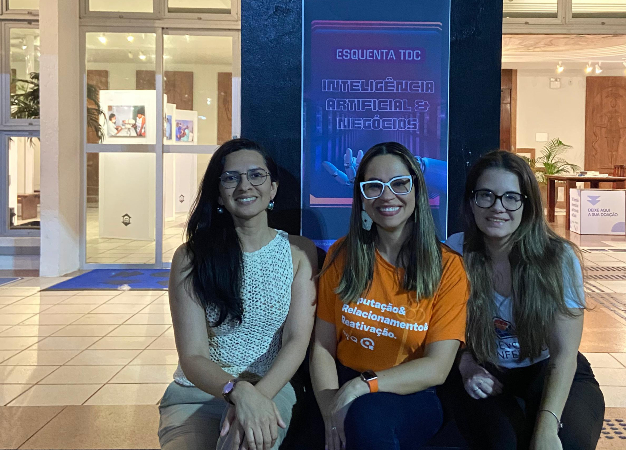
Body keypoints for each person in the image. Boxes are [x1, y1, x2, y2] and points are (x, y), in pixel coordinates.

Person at [158, 138, 318, 450]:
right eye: (231, 178)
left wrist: (255, 396)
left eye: (256, 175)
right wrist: (236, 391)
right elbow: (192, 355)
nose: (245, 186)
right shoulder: (191, 257)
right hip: (198, 393)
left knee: (246, 444)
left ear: (272, 188)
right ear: (218, 192)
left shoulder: (299, 253)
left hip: (270, 386)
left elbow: (297, 340)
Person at [310, 142, 469, 450]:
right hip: (341, 386)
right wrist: (330, 408)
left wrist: (361, 387)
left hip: (410, 394)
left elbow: (437, 368)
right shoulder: (340, 255)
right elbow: (322, 347)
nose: (386, 196)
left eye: (399, 183)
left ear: (416, 191)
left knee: (367, 416)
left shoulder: (447, 266)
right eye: (374, 186)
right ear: (362, 197)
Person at [443, 150, 605, 450]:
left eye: (511, 197)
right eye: (486, 195)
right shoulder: (454, 252)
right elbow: (442, 333)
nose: (497, 207)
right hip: (485, 370)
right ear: (471, 201)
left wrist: (546, 427)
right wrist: (466, 366)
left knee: (566, 442)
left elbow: (563, 354)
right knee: (503, 441)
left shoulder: (557, 259)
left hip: (549, 369)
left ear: (527, 204)